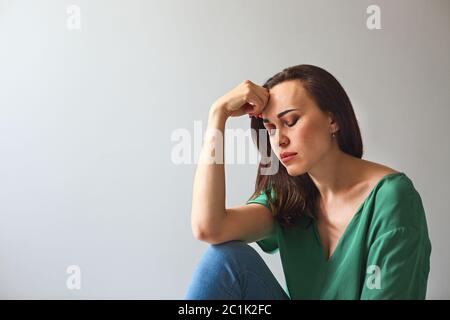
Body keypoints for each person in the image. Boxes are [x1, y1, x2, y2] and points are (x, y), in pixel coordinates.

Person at [185, 64, 431, 300]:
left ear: (332, 120)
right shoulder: (289, 198)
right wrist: (218, 115)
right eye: (270, 128)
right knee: (226, 259)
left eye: (290, 122)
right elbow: (210, 227)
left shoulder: (392, 198)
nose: (279, 140)